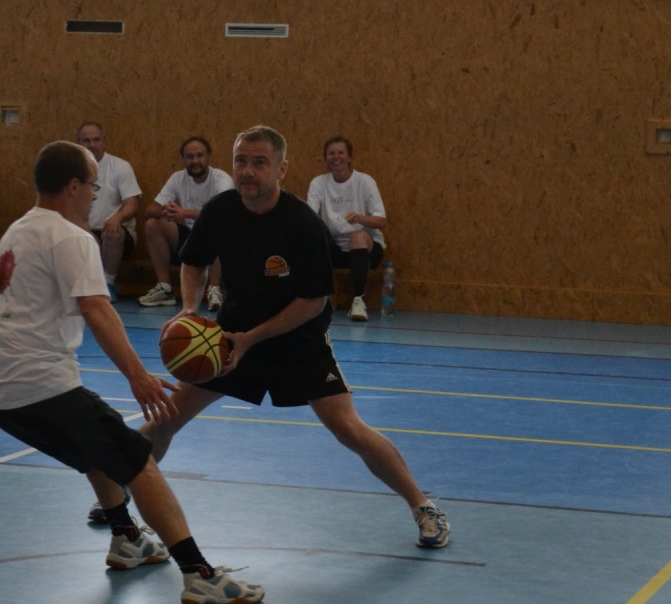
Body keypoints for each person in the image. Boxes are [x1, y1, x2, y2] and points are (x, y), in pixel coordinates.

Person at [0, 140, 263, 604]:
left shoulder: (17, 230)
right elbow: (97, 310)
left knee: (97, 451)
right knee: (137, 461)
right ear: (72, 186)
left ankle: (127, 537)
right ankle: (199, 575)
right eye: (92, 185)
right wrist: (138, 376)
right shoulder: (71, 238)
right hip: (38, 385)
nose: (95, 195)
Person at [141, 125, 452, 550]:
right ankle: (119, 499)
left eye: (259, 163)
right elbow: (194, 262)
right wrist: (189, 310)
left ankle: (423, 506)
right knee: (165, 420)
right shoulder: (219, 211)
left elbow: (313, 300)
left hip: (298, 342)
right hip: (230, 340)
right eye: (240, 161)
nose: (247, 171)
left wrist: (253, 338)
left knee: (348, 429)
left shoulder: (302, 223)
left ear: (281, 169)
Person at [139, 136, 234, 311]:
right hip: (189, 238)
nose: (195, 160)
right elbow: (150, 210)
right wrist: (169, 211)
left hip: (215, 240)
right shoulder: (177, 178)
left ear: (208, 157)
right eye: (190, 156)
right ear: (183, 159)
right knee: (153, 224)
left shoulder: (221, 179)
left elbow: (223, 214)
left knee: (223, 226)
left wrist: (183, 213)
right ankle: (165, 289)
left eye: (199, 155)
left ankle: (214, 290)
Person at [306, 136, 388, 322]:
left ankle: (358, 301)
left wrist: (359, 218)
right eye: (331, 153)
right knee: (312, 239)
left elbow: (381, 221)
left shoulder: (365, 182)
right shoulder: (319, 183)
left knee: (357, 237)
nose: (336, 157)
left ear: (349, 157)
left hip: (366, 249)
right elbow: (310, 217)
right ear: (326, 159)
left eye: (340, 153)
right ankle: (319, 299)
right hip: (335, 248)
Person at [75, 122, 140, 302]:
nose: (92, 144)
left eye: (96, 140)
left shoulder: (120, 167)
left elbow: (133, 204)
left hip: (116, 233)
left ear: (104, 142)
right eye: (86, 140)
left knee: (112, 232)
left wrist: (117, 218)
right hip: (84, 230)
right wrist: (83, 228)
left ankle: (107, 284)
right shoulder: (71, 170)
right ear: (78, 143)